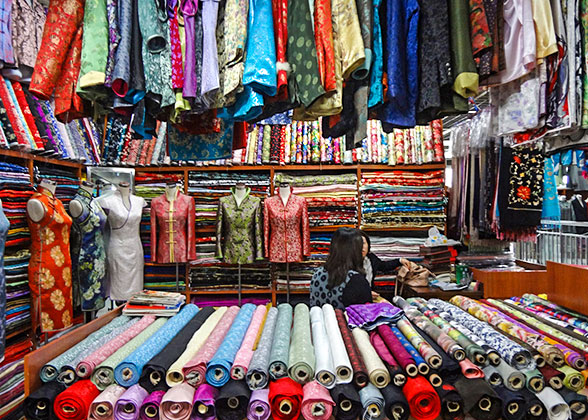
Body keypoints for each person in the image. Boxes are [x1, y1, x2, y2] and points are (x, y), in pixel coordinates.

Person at [310, 227, 372, 309]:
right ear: (356, 251)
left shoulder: (317, 274)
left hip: (320, 320)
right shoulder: (357, 281)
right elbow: (367, 314)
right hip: (342, 321)